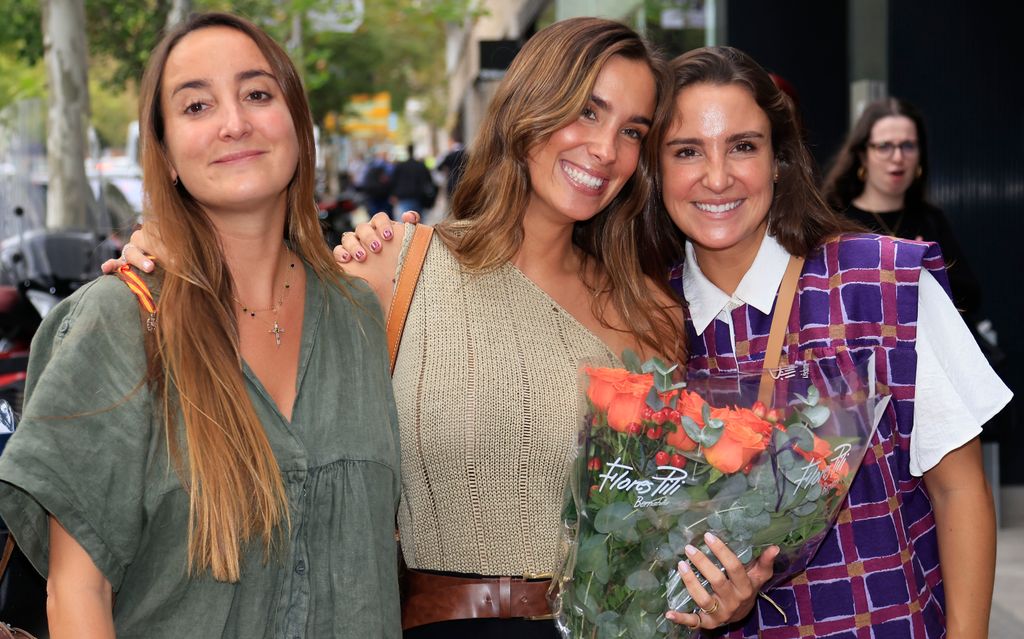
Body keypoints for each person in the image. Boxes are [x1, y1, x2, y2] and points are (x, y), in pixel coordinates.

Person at [114, 17, 777, 638]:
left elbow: (665, 521)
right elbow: (258, 352)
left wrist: (722, 589)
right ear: (528, 109)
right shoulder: (395, 267)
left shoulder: (652, 313)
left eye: (633, 130)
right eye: (586, 110)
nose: (605, 150)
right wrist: (169, 249)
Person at [0, 12, 400, 638]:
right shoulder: (120, 322)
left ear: (297, 124)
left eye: (257, 94)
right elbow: (77, 591)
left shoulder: (360, 317)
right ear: (166, 154)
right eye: (196, 106)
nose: (234, 122)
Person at [647, 46, 1011, 638]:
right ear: (654, 169)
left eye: (743, 145)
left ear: (779, 160)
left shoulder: (882, 283)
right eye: (687, 151)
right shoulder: (642, 316)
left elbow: (958, 487)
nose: (717, 177)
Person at [822, 97, 982, 319]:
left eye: (908, 146)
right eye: (884, 146)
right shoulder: (833, 220)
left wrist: (926, 273)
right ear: (863, 156)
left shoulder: (930, 219)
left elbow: (970, 297)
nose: (897, 158)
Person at [389, 144, 436, 217]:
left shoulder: (400, 166)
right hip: (419, 198)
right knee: (419, 224)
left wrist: (393, 194)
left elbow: (393, 181)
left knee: (405, 223)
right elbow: (429, 181)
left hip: (404, 198)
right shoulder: (420, 165)